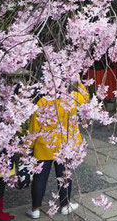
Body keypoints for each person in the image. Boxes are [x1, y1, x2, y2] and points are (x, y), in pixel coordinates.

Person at [26, 83, 88, 219]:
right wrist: (79, 81)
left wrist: (28, 146)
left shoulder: (42, 102)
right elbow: (85, 98)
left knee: (40, 178)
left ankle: (35, 209)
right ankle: (65, 205)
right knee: (65, 176)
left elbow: (34, 127)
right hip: (65, 145)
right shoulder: (72, 99)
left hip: (44, 145)